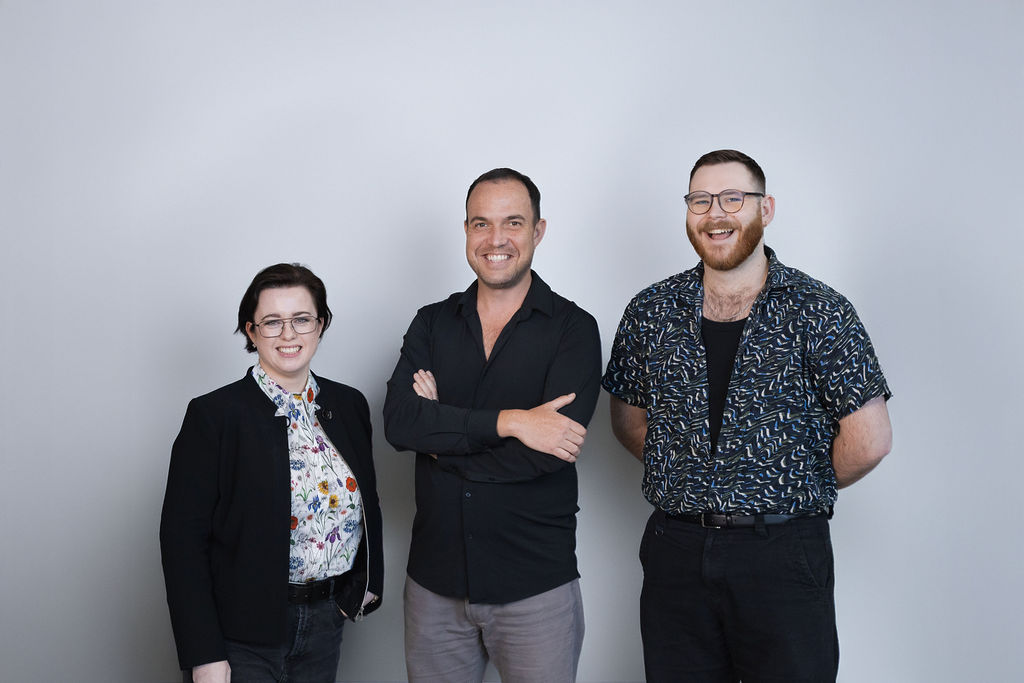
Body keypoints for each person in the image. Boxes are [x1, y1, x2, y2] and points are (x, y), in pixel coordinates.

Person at [603, 150, 893, 682]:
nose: (715, 213)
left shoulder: (819, 309)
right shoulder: (651, 311)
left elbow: (870, 438)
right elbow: (628, 420)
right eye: (700, 199)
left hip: (782, 551)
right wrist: (691, 473)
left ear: (766, 208)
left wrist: (786, 484)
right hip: (676, 551)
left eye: (733, 198)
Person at [383, 168, 601, 683]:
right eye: (481, 223)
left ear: (538, 231)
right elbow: (399, 422)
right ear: (466, 231)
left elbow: (545, 453)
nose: (495, 239)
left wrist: (440, 441)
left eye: (513, 223)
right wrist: (513, 422)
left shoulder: (573, 329)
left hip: (534, 587)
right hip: (433, 585)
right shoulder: (431, 323)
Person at [160, 263, 383, 683]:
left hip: (326, 622)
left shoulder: (349, 404)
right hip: (240, 634)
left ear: (321, 324)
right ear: (251, 331)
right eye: (272, 322)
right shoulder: (214, 416)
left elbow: (366, 501)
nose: (288, 334)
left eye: (301, 319)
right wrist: (204, 654)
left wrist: (366, 584)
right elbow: (182, 543)